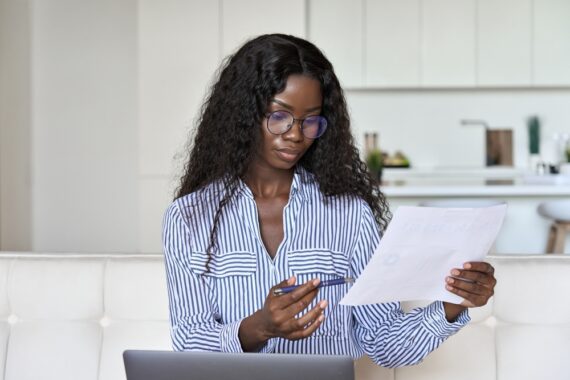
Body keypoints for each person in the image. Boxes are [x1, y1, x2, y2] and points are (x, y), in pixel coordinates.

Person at [162, 34, 496, 367]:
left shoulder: (348, 213)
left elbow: (385, 343)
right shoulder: (189, 218)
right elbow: (189, 342)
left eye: (311, 120)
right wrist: (258, 327)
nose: (295, 134)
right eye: (279, 117)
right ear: (244, 115)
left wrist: (453, 304)